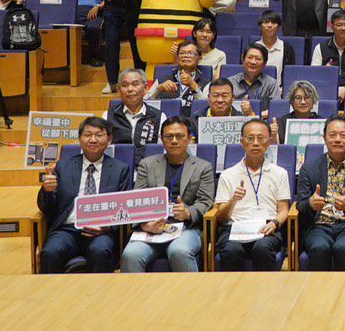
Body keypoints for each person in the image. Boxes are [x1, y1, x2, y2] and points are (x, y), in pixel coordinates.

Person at [35, 116, 132, 274]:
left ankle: (98, 290)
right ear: (80, 139)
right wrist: (47, 191)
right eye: (87, 135)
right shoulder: (63, 167)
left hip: (101, 231)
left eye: (99, 135)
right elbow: (46, 208)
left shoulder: (120, 169)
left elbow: (125, 207)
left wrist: (107, 228)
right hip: (67, 230)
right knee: (51, 252)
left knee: (101, 251)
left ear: (109, 139)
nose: (92, 139)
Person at [120, 116, 215, 272]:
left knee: (179, 251)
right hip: (151, 227)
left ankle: (193, 290)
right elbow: (137, 200)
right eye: (169, 136)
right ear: (162, 139)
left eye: (180, 136)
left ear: (189, 138)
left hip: (186, 228)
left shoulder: (202, 167)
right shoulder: (147, 164)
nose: (174, 141)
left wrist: (188, 212)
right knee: (131, 255)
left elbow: (205, 202)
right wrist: (145, 224)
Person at [294, 115, 345, 271]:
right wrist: (310, 204)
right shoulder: (309, 168)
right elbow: (300, 205)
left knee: (342, 248)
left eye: (343, 135)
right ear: (324, 137)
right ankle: (317, 287)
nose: (337, 140)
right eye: (332, 135)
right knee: (319, 247)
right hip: (318, 226)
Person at [214, 118, 292, 271]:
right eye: (250, 138)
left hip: (267, 227)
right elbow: (221, 218)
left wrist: (274, 224)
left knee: (262, 248)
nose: (255, 143)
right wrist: (233, 200)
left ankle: (265, 287)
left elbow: (283, 210)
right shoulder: (227, 175)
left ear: (269, 141)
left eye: (260, 138)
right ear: (242, 142)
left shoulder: (280, 173)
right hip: (234, 228)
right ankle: (232, 287)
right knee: (231, 250)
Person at [107, 68, 164, 147]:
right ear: (119, 89)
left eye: (135, 84)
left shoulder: (159, 116)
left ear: (145, 88)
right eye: (125, 85)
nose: (130, 89)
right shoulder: (108, 116)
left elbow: (162, 149)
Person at [229, 42, 281, 107]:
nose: (253, 62)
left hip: (262, 114)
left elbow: (276, 108)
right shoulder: (231, 82)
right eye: (250, 57)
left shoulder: (271, 84)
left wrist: (253, 113)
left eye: (258, 59)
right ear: (243, 59)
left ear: (264, 64)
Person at [250, 10, 295, 75]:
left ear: (279, 28)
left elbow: (290, 73)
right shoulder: (253, 48)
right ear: (260, 27)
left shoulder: (287, 48)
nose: (269, 25)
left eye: (273, 22)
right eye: (266, 22)